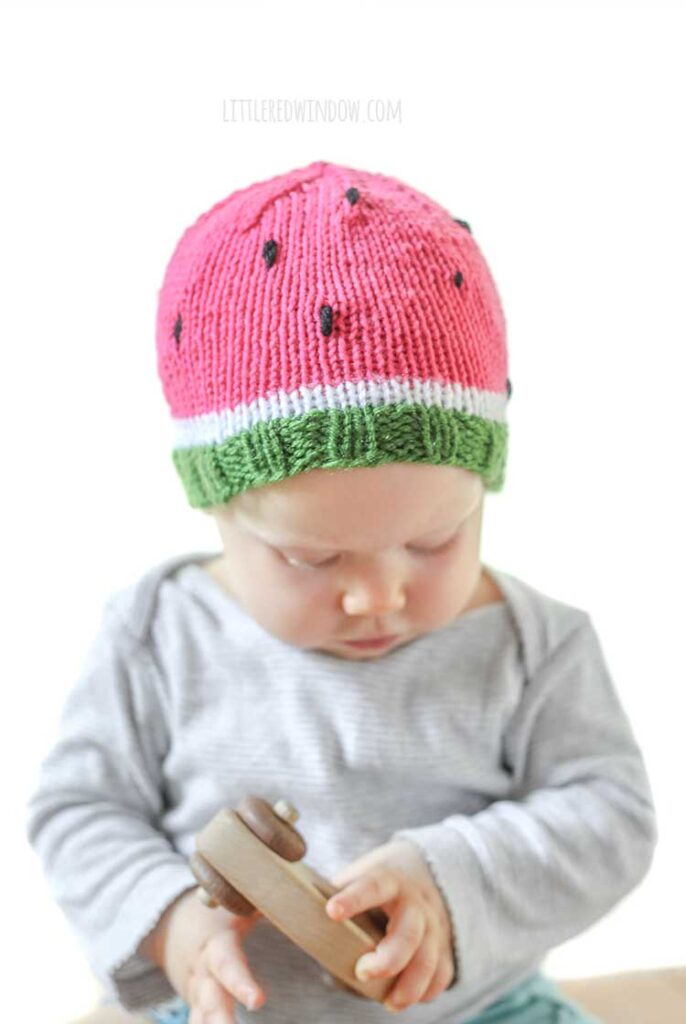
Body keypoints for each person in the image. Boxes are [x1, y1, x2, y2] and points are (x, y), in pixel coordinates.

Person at [26, 160, 657, 1024]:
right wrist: (170, 925)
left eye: (435, 540)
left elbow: (611, 818)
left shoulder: (533, 648)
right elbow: (80, 810)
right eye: (310, 560)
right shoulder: (158, 634)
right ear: (217, 509)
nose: (374, 596)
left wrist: (452, 876)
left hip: (478, 1010)